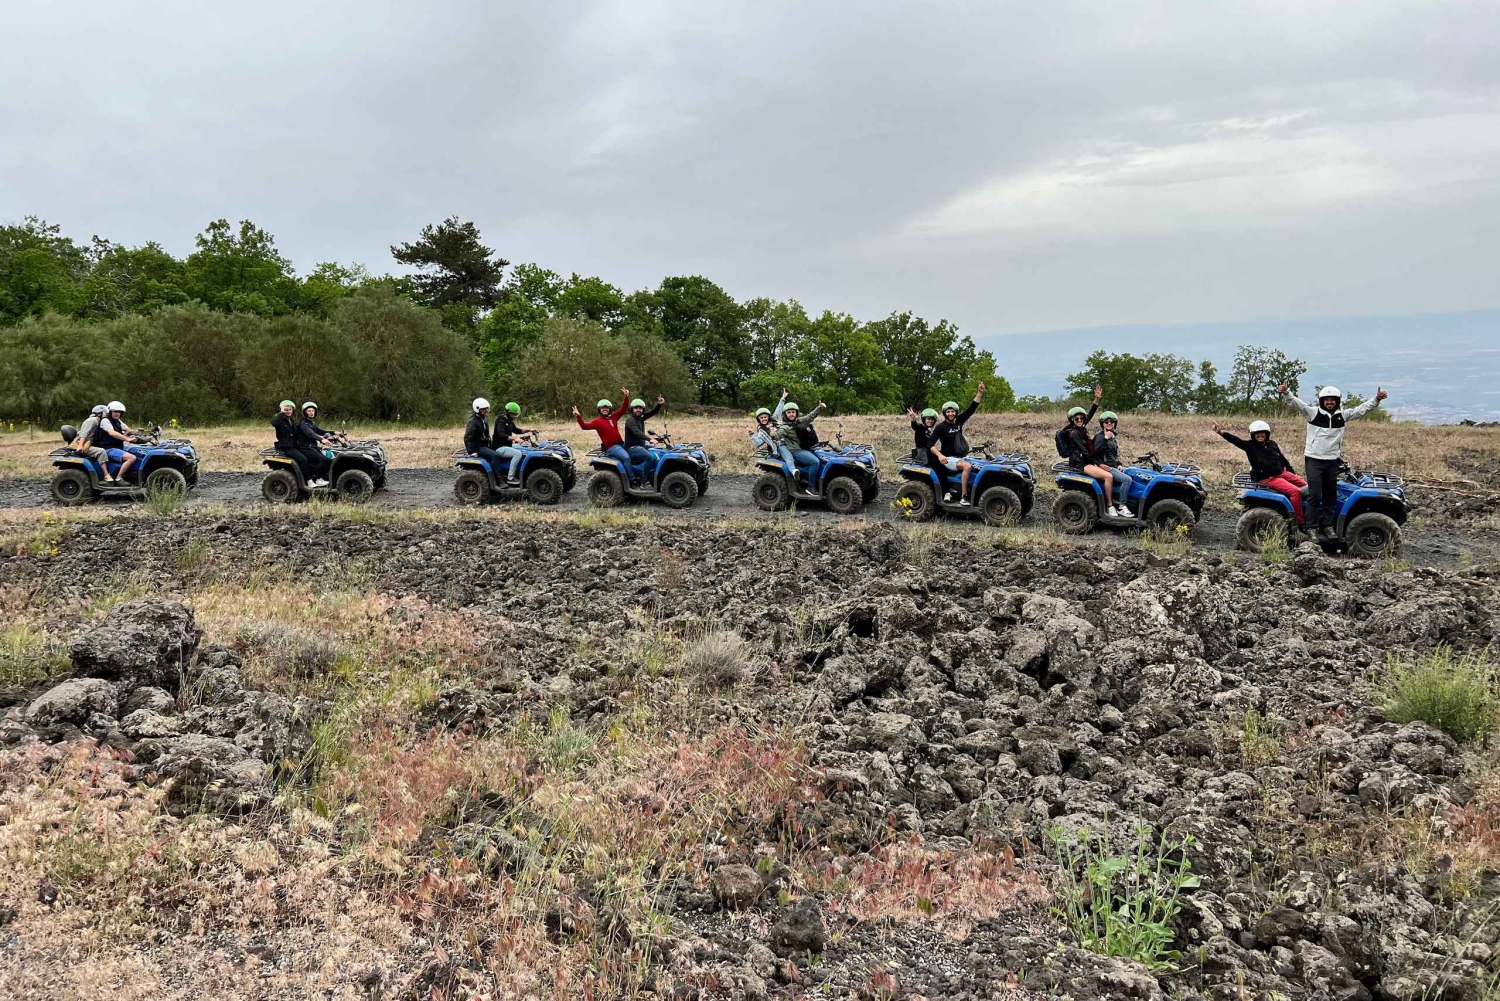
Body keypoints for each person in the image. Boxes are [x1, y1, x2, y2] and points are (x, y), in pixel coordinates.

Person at [1278, 382, 1387, 540]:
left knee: (1330, 495)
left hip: (1332, 461)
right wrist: (1286, 392)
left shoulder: (1342, 416)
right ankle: (1311, 528)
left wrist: (1376, 399)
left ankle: (1328, 526)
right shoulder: (1313, 413)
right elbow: (1297, 404)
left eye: (1332, 400)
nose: (1329, 402)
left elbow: (1361, 410)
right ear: (1322, 401)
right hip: (1314, 460)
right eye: (1326, 400)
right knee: (1314, 494)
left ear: (1337, 401)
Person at [1213, 419, 1307, 527]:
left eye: (1263, 433)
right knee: (1296, 492)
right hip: (1268, 478)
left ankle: (1308, 512)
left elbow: (1282, 460)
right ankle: (1299, 522)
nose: (1260, 435)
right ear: (1252, 435)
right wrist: (1221, 432)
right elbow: (1236, 440)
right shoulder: (1250, 446)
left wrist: (1293, 474)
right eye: (1257, 433)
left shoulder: (1272, 444)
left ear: (1267, 433)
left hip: (1282, 473)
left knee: (1308, 488)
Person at [1059, 385, 1122, 513]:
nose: (1080, 420)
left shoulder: (1081, 428)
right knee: (1108, 477)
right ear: (1072, 420)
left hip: (1086, 461)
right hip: (1081, 464)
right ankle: (1110, 506)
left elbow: (1090, 414)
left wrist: (1096, 399)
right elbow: (1085, 452)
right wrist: (1098, 464)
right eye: (1077, 419)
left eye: (1081, 418)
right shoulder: (1074, 434)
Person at [931, 381, 987, 501]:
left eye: (952, 411)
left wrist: (980, 393)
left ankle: (968, 490)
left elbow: (971, 409)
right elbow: (930, 444)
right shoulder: (941, 427)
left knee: (980, 466)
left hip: (960, 457)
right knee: (967, 466)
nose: (950, 414)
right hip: (948, 458)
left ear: (956, 412)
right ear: (945, 413)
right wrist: (940, 456)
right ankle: (964, 497)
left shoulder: (959, 421)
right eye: (948, 412)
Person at [908, 405, 974, 504]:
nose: (930, 421)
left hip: (929, 453)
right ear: (923, 419)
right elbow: (915, 427)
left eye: (932, 420)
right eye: (928, 419)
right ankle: (945, 492)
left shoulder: (928, 430)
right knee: (941, 468)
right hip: (924, 455)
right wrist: (913, 420)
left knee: (945, 462)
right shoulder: (921, 428)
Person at [573, 388, 632, 476]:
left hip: (621, 444)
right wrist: (578, 416)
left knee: (635, 454)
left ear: (610, 409)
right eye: (602, 408)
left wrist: (626, 397)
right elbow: (584, 426)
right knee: (626, 457)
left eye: (607, 408)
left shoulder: (614, 417)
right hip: (612, 447)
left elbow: (623, 408)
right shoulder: (597, 421)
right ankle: (632, 478)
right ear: (599, 410)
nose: (605, 409)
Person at [773, 401, 825, 488]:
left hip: (804, 448)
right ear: (785, 414)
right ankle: (811, 487)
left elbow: (810, 416)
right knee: (815, 462)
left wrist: (819, 408)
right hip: (795, 451)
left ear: (796, 413)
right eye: (789, 412)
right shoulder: (785, 427)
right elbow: (777, 436)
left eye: (793, 412)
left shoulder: (799, 421)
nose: (791, 414)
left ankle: (804, 476)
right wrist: (773, 433)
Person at [1092, 410, 1133, 517]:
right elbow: (1095, 452)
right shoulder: (1100, 437)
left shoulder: (1113, 437)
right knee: (1127, 479)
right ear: (1102, 424)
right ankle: (1122, 506)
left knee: (1133, 472)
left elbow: (1113, 455)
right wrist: (1105, 439)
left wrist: (1119, 463)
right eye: (1106, 422)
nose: (1109, 423)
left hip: (1114, 465)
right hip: (1106, 467)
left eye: (1112, 422)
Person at [464, 397, 510, 486]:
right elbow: (468, 437)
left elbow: (486, 435)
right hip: (478, 447)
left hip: (485, 445)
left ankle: (506, 474)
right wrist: (472, 451)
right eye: (484, 409)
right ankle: (499, 479)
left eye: (487, 408)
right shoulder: (473, 422)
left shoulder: (483, 420)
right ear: (477, 409)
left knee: (502, 450)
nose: (486, 411)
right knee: (494, 455)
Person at [621, 394, 665, 487]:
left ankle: (654, 475)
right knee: (648, 457)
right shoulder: (630, 420)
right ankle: (644, 482)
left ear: (643, 410)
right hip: (632, 448)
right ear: (632, 409)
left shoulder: (641, 417)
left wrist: (659, 404)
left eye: (640, 408)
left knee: (659, 452)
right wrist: (650, 439)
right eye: (636, 408)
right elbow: (636, 432)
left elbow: (652, 412)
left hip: (641, 446)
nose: (638, 410)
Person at [272, 399, 317, 483]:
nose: (289, 411)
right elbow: (274, 422)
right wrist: (281, 413)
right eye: (286, 410)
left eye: (290, 409)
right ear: (282, 410)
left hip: (295, 446)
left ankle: (315, 477)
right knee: (303, 459)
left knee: (310, 455)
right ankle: (308, 481)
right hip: (286, 447)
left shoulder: (292, 420)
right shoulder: (280, 421)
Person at [490, 402, 534, 486]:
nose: (514, 416)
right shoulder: (500, 421)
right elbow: (500, 434)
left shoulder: (509, 421)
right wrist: (515, 438)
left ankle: (521, 470)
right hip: (499, 448)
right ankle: (510, 478)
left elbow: (517, 430)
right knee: (518, 453)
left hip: (507, 446)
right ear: (507, 412)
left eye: (516, 414)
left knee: (524, 447)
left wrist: (529, 430)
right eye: (513, 414)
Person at [96, 401, 139, 484]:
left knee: (137, 450)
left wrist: (141, 435)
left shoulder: (117, 421)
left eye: (119, 412)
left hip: (117, 446)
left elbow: (128, 429)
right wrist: (127, 439)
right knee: (131, 458)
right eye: (115, 412)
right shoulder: (105, 421)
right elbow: (111, 432)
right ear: (110, 412)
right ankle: (119, 478)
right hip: (108, 448)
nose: (117, 414)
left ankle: (132, 474)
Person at [294, 402, 337, 485]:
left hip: (312, 446)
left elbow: (320, 431)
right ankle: (318, 479)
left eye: (313, 411)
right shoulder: (303, 424)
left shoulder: (311, 423)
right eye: (309, 411)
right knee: (323, 459)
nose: (311, 412)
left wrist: (334, 432)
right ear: (305, 412)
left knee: (329, 458)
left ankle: (326, 476)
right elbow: (311, 433)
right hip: (305, 448)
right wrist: (321, 440)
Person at [74, 405, 116, 483]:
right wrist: (80, 446)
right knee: (101, 451)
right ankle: (106, 474)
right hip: (84, 445)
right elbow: (84, 433)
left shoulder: (98, 421)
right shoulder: (92, 420)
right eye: (105, 413)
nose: (106, 414)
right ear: (100, 413)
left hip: (89, 443)